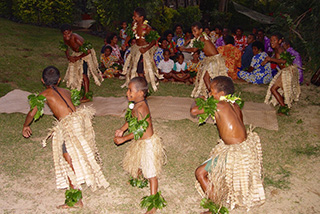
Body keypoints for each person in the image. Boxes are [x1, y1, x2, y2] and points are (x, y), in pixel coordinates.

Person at [22, 66, 109, 208]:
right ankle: (77, 191)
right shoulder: (66, 91)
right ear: (60, 80)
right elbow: (74, 105)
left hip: (69, 126)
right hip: (78, 121)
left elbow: (32, 113)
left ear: (42, 80)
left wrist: (26, 125)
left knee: (67, 160)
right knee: (70, 155)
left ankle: (75, 199)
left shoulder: (44, 94)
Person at [191, 76, 265, 212]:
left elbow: (194, 111)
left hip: (234, 152)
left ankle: (216, 208)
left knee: (200, 173)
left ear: (220, 94)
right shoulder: (234, 104)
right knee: (215, 172)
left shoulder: (218, 105)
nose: (209, 94)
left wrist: (198, 99)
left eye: (211, 91)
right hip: (244, 148)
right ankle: (223, 193)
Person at [114, 77, 166, 214]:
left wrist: (124, 138)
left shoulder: (142, 108)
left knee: (151, 173)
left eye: (131, 90)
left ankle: (153, 203)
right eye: (128, 89)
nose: (127, 92)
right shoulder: (134, 104)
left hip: (147, 142)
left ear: (141, 93)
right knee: (137, 161)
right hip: (141, 141)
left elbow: (141, 130)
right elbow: (131, 119)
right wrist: (122, 129)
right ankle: (139, 178)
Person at [121, 7, 162, 91]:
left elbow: (154, 41)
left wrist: (146, 49)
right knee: (138, 70)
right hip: (137, 49)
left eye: (135, 16)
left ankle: (144, 90)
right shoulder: (134, 25)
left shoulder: (147, 28)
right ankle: (142, 89)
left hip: (144, 50)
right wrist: (125, 43)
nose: (133, 18)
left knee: (142, 71)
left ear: (141, 17)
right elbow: (130, 35)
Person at [60, 24, 103, 103]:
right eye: (65, 34)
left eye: (68, 33)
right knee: (77, 74)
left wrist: (77, 58)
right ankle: (82, 92)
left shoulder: (76, 38)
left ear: (71, 32)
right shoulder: (65, 38)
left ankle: (86, 95)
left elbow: (88, 51)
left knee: (83, 74)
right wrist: (68, 57)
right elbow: (65, 48)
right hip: (77, 54)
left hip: (85, 54)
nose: (67, 35)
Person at [186, 22, 227, 98]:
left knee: (206, 78)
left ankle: (213, 95)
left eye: (195, 31)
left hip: (214, 59)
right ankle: (213, 94)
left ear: (201, 30)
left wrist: (183, 49)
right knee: (206, 78)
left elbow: (195, 49)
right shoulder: (201, 37)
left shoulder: (202, 37)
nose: (193, 33)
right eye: (192, 31)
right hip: (210, 59)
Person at [263, 33, 301, 108]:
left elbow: (283, 61)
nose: (272, 42)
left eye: (274, 40)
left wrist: (270, 59)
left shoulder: (279, 49)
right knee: (279, 89)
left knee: (273, 89)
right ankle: (284, 104)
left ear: (280, 41)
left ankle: (284, 107)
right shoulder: (277, 49)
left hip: (287, 71)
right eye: (271, 40)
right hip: (284, 71)